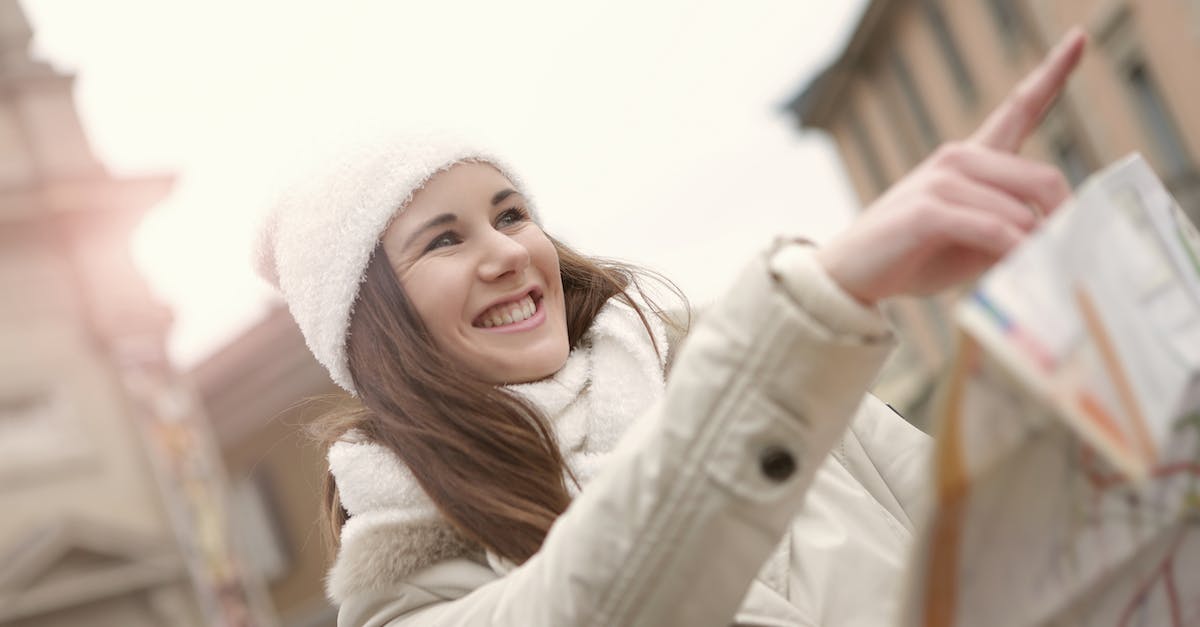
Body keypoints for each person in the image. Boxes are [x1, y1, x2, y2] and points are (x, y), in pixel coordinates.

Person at [254, 29, 1086, 627]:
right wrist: (819, 299)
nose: (507, 251)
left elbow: (1003, 546)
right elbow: (605, 599)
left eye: (511, 213)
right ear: (375, 333)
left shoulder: (722, 361)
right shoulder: (406, 591)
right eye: (444, 238)